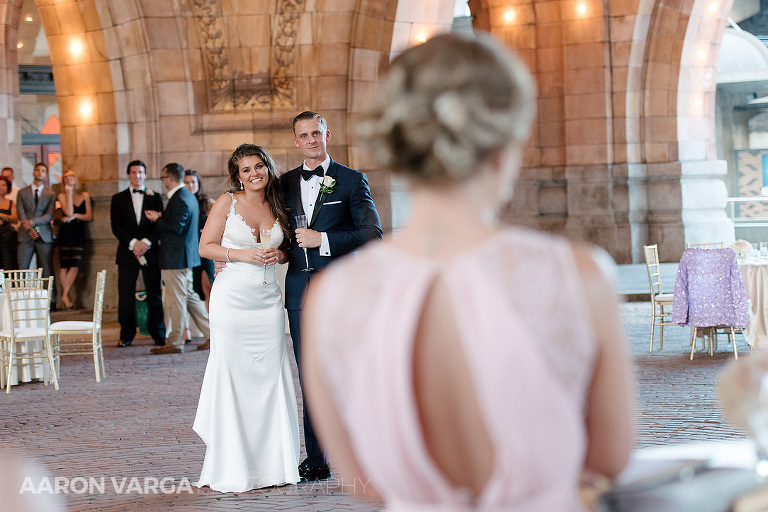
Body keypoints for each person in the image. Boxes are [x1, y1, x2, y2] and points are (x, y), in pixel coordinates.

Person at [301, 33, 635, 510]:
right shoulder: (578, 275)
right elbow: (609, 457)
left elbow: (363, 481)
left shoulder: (332, 296)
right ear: (504, 144)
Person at [281, 111, 383, 481]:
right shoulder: (284, 184)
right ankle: (317, 459)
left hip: (340, 291)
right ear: (296, 141)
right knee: (309, 374)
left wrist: (322, 239)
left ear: (327, 135)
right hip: (299, 292)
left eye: (316, 133)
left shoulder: (352, 180)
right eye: (304, 135)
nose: (311, 140)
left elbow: (372, 233)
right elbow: (277, 233)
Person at [194, 144, 299, 491]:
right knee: (233, 377)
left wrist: (279, 255)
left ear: (268, 167)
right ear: (237, 176)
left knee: (270, 377)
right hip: (232, 301)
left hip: (268, 303)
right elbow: (205, 246)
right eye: (246, 170)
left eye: (259, 166)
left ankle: (275, 467)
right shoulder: (227, 202)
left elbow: (288, 250)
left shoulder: (280, 202)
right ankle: (233, 466)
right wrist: (241, 255)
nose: (254, 174)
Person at [145, 163, 210, 355]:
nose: (163, 181)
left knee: (177, 301)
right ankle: (213, 335)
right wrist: (163, 218)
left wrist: (157, 220)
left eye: (163, 177)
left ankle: (175, 342)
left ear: (170, 178)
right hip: (183, 257)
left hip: (176, 258)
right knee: (189, 297)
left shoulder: (180, 198)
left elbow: (177, 228)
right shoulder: (187, 196)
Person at [110, 160, 166, 347]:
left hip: (150, 252)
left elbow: (159, 225)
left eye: (140, 172)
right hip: (127, 253)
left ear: (145, 175)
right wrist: (134, 244)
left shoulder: (155, 197)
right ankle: (126, 334)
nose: (137, 176)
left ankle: (158, 332)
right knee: (125, 294)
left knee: (154, 293)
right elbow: (116, 227)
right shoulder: (118, 198)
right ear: (128, 175)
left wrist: (146, 243)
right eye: (133, 172)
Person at [184, 170, 215, 350]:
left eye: (193, 182)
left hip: (206, 253)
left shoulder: (207, 202)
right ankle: (187, 331)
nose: (190, 186)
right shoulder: (183, 202)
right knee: (190, 292)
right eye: (187, 182)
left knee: (208, 288)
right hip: (190, 253)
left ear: (198, 184)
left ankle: (213, 331)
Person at [17, 162, 56, 306]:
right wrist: (29, 228)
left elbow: (49, 214)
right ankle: (20, 301)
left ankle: (50, 301)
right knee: (22, 268)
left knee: (47, 269)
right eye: (38, 170)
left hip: (44, 235)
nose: (40, 172)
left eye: (43, 170)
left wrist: (32, 223)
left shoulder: (50, 194)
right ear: (34, 172)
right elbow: (20, 212)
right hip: (25, 234)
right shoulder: (22, 192)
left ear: (46, 174)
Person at [56, 170, 93, 309]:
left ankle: (65, 294)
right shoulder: (62, 195)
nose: (68, 179)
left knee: (75, 265)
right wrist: (69, 193)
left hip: (78, 232)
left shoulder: (84, 195)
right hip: (65, 233)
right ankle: (66, 297)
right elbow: (68, 211)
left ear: (75, 178)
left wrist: (76, 216)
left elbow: (88, 216)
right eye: (66, 177)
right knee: (65, 265)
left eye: (71, 176)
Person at [0, 176, 18, 270]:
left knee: (8, 262)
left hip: (7, 237)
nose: (1, 188)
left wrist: (2, 216)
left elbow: (15, 218)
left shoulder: (11, 203)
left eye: (3, 185)